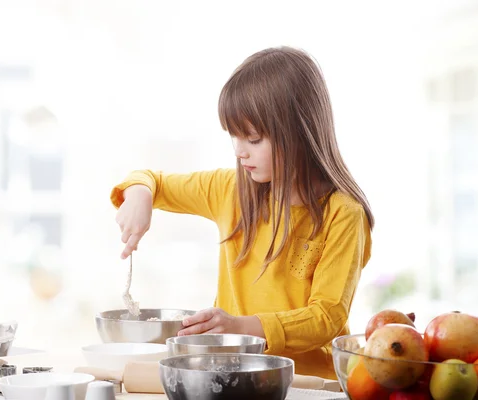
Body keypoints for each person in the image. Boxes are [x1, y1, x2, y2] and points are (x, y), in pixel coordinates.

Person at [109, 46, 373, 379]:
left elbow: (327, 316)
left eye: (253, 138)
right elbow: (150, 181)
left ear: (300, 131)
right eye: (234, 136)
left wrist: (239, 328)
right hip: (236, 378)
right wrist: (140, 196)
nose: (239, 150)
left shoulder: (343, 214)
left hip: (309, 385)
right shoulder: (230, 190)